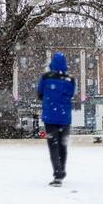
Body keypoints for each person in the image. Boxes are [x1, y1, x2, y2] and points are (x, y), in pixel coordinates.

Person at [38, 52, 75, 187]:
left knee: (53, 145)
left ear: (52, 63)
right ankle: (62, 169)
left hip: (50, 117)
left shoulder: (46, 77)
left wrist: (49, 99)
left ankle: (58, 173)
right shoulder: (70, 79)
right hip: (65, 118)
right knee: (62, 145)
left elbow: (40, 93)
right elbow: (71, 95)